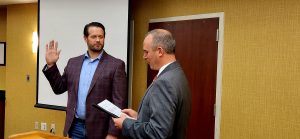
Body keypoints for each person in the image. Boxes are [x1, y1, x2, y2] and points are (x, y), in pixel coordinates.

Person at [43, 22, 127, 139]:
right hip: (75, 126)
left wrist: (113, 133)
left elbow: (119, 102)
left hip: (101, 129)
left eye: (101, 37)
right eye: (93, 37)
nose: (98, 40)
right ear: (85, 38)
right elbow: (59, 88)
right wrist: (51, 65)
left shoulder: (116, 65)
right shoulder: (73, 63)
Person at [112, 29, 191, 139]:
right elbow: (167, 121)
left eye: (146, 52)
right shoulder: (177, 73)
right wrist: (139, 118)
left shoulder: (165, 82)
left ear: (159, 51)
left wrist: (126, 124)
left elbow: (158, 133)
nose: (144, 56)